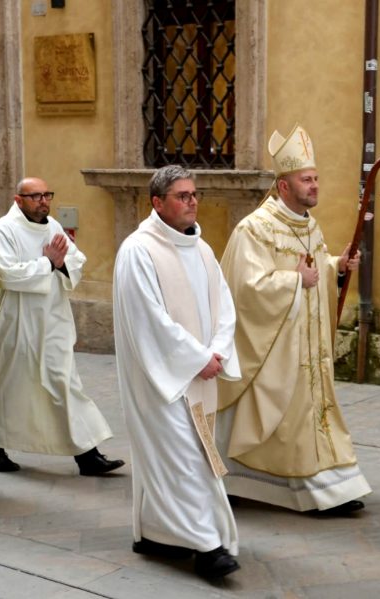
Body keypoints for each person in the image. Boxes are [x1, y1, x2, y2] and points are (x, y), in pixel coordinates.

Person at [216, 124, 371, 515]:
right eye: (307, 180)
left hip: (308, 347)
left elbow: (314, 271)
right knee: (285, 413)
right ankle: (300, 488)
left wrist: (336, 266)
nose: (315, 186)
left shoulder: (309, 226)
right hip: (275, 348)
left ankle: (328, 484)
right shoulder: (255, 229)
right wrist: (293, 281)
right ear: (284, 186)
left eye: (316, 178)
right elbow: (245, 288)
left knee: (310, 412)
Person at [113, 165, 241, 579]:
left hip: (199, 373)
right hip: (160, 378)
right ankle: (207, 546)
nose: (192, 202)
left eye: (194, 194)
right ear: (157, 202)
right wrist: (196, 358)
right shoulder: (138, 250)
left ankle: (156, 534)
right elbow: (148, 319)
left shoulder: (202, 248)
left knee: (187, 456)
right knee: (182, 457)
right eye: (182, 196)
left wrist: (217, 351)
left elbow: (224, 305)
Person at [0, 177, 124, 476]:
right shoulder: (4, 229)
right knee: (8, 384)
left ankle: (87, 455)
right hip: (18, 321)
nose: (44, 201)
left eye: (47, 195)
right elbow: (5, 273)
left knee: (64, 382)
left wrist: (60, 264)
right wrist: (48, 263)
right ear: (18, 200)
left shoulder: (53, 227)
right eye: (35, 196)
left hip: (53, 320)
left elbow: (75, 260)